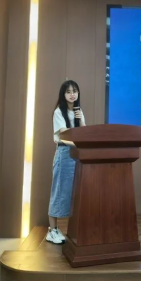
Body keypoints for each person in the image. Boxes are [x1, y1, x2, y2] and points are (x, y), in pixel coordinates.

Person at [45, 80, 86, 245]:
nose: (72, 94)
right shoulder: (58, 112)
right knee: (59, 191)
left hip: (77, 154)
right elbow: (64, 133)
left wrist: (80, 120)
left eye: (74, 91)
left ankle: (71, 228)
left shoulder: (78, 111)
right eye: (68, 92)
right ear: (63, 95)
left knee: (74, 192)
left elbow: (84, 133)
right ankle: (52, 231)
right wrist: (77, 130)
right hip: (64, 153)